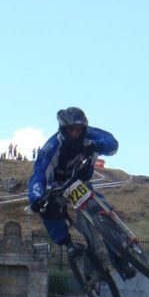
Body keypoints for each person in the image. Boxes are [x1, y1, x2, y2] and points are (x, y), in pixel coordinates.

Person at [28, 108, 133, 276]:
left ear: (84, 128)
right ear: (63, 129)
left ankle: (120, 256)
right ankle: (68, 244)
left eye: (78, 130)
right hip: (57, 187)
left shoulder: (90, 135)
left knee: (101, 210)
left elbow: (112, 145)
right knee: (48, 209)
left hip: (79, 183)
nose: (75, 134)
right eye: (70, 130)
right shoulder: (52, 147)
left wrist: (96, 145)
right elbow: (38, 175)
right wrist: (36, 198)